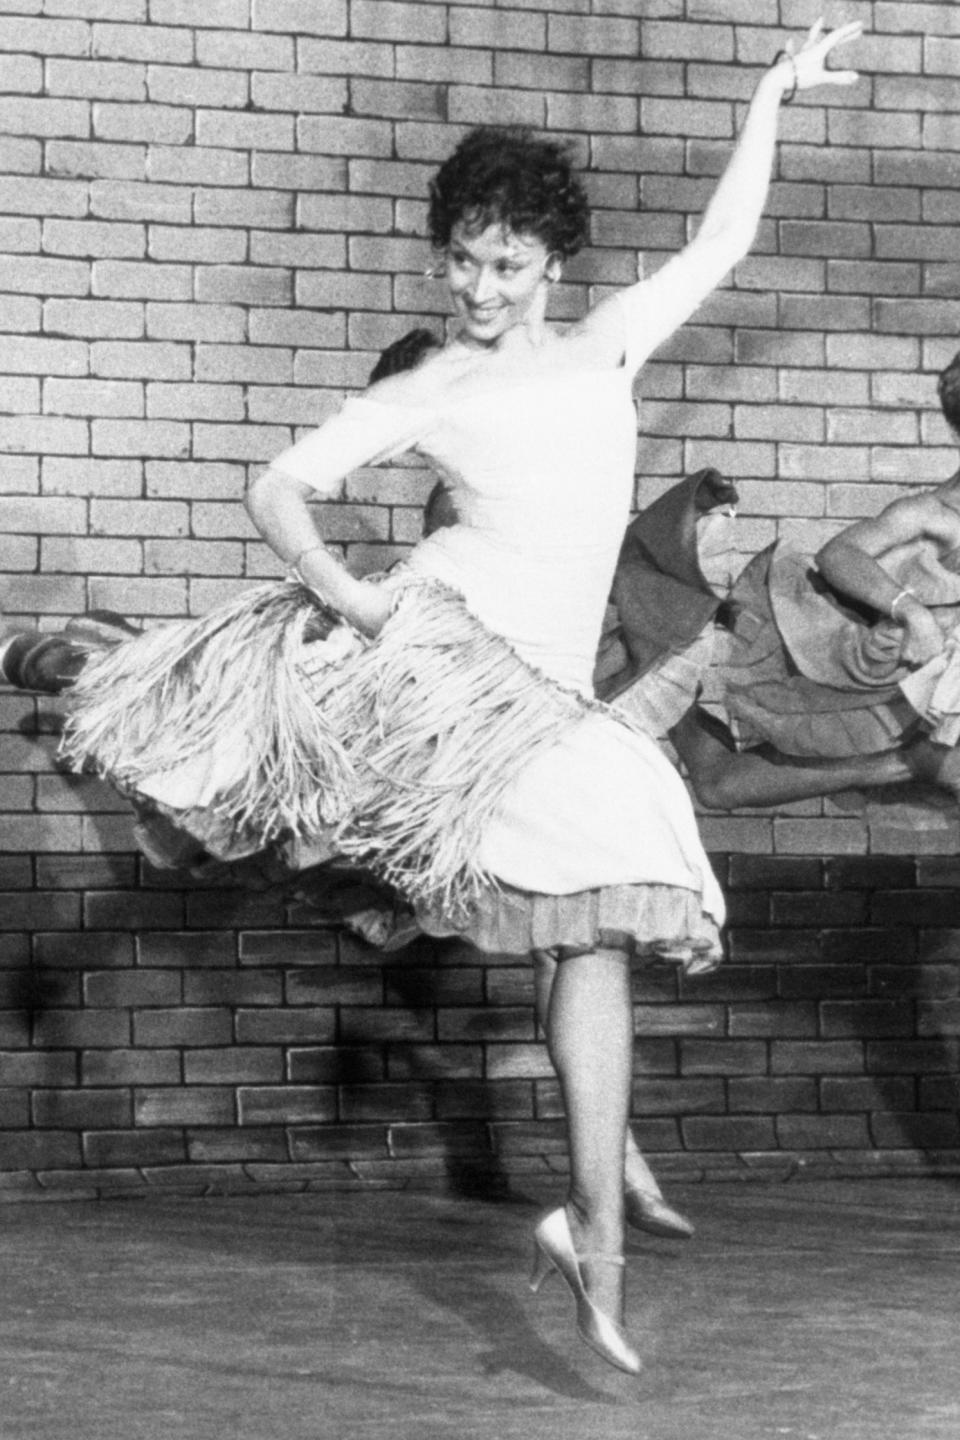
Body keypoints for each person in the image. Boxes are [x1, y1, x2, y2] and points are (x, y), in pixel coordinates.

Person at [17, 19, 862, 1373]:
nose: (479, 286)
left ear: (553, 265)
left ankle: (595, 1231)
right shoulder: (436, 383)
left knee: (596, 937)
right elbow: (277, 484)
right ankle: (78, 670)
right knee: (219, 760)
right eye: (461, 261)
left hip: (532, 704)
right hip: (437, 661)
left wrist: (769, 94)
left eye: (505, 264)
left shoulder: (607, 347)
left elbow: (723, 244)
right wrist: (346, 595)